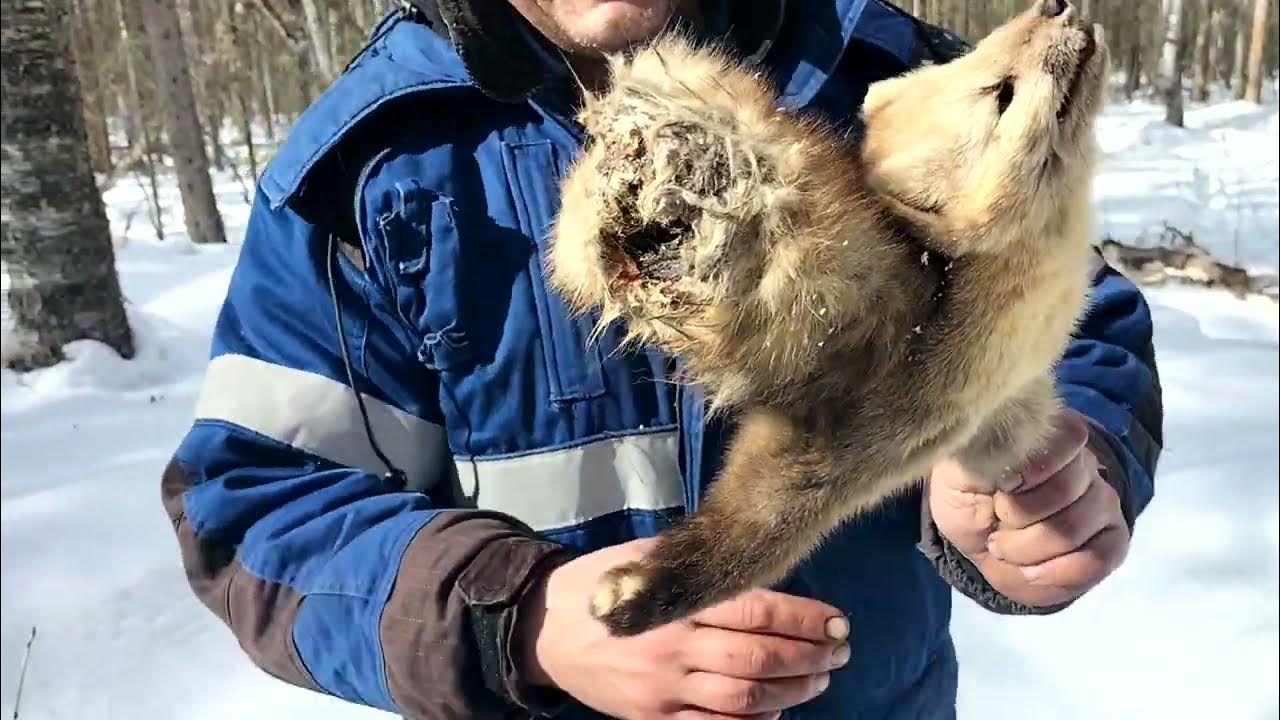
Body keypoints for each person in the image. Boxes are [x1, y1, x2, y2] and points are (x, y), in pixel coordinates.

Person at [159, 1, 1162, 718]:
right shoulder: (370, 168)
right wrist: (525, 618)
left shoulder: (893, 73)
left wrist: (1061, 473)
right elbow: (259, 506)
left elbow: (1075, 310)